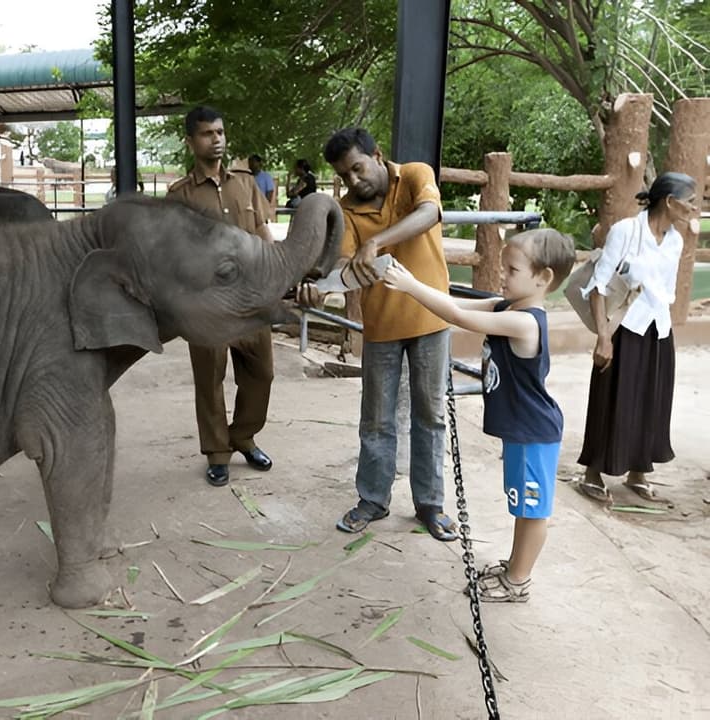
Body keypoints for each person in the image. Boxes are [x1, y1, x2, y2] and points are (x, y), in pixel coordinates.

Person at [383, 229, 576, 601]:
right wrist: (414, 284)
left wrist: (409, 286)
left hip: (535, 432)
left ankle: (519, 580)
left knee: (534, 511)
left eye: (512, 269)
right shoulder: (507, 308)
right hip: (522, 430)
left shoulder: (525, 322)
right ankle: (514, 566)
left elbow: (457, 315)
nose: (501, 275)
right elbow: (456, 303)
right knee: (523, 504)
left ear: (543, 278)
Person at [301, 127, 456, 541]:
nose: (353, 181)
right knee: (375, 420)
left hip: (430, 320)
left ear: (377, 154)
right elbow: (346, 265)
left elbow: (429, 214)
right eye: (344, 175)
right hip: (382, 327)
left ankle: (430, 504)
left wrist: (379, 243)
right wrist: (320, 286)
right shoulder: (347, 210)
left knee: (431, 416)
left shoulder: (416, 175)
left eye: (357, 168)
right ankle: (372, 499)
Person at [166, 106, 275, 487]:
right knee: (210, 380)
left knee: (262, 374)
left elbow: (263, 232)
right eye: (208, 133)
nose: (217, 139)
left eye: (221, 132)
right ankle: (217, 452)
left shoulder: (245, 184)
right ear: (191, 141)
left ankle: (243, 435)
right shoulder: (179, 194)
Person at [574, 172, 697, 503]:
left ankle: (638, 472)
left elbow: (663, 290)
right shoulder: (626, 231)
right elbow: (598, 287)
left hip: (659, 328)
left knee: (652, 402)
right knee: (610, 397)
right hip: (623, 328)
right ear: (669, 201)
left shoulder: (675, 240)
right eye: (690, 201)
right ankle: (592, 473)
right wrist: (603, 338)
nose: (693, 208)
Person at [248, 154, 277, 221]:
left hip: (261, 207)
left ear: (259, 163)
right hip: (249, 207)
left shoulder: (266, 177)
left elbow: (270, 191)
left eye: (253, 162)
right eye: (250, 162)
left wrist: (265, 205)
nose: (251, 164)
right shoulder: (247, 176)